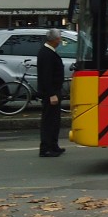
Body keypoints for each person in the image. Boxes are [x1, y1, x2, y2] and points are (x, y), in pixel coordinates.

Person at [36, 28, 66, 158]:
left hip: (54, 90)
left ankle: (53, 145)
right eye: (59, 38)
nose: (60, 41)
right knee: (49, 121)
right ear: (54, 40)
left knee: (55, 120)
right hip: (50, 92)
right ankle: (46, 148)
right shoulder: (46, 54)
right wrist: (51, 94)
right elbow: (46, 76)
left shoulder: (48, 52)